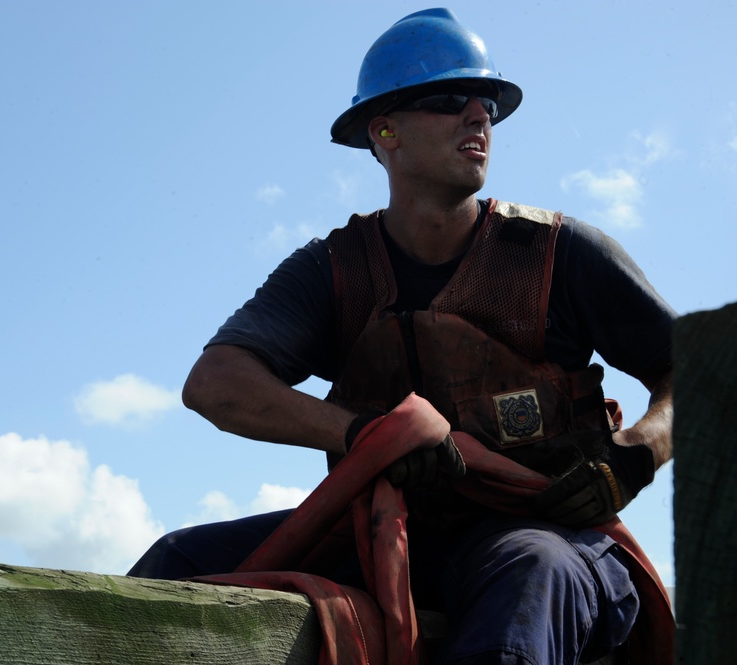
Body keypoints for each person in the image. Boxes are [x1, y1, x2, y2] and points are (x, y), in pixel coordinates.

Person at [129, 8, 675, 664]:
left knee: (531, 573)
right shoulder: (333, 271)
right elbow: (215, 383)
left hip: (541, 532)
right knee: (176, 561)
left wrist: (635, 453)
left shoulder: (561, 254)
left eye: (488, 105)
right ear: (382, 130)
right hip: (387, 529)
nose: (478, 117)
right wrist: (364, 436)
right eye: (449, 100)